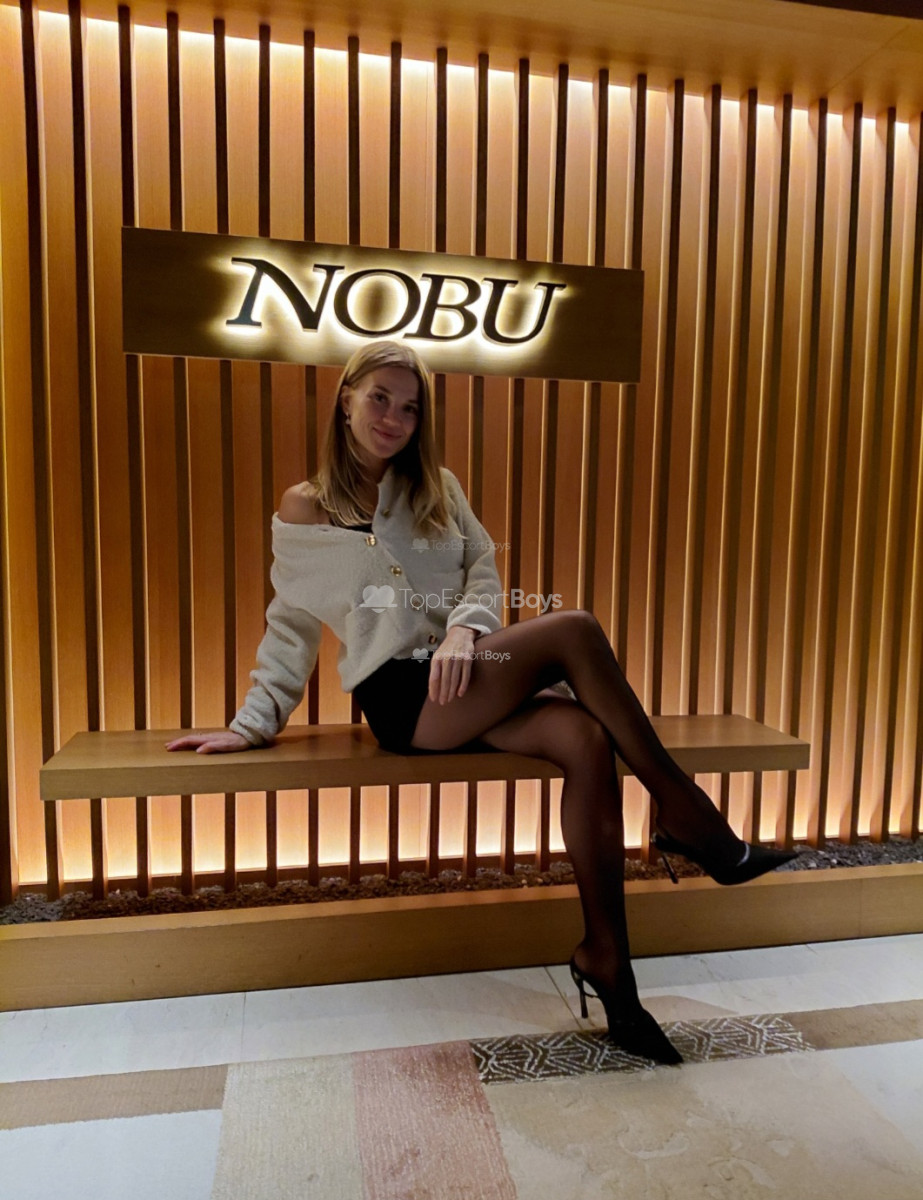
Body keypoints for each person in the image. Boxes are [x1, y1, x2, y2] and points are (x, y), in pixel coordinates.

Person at [167, 339, 796, 1066]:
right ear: (345, 400)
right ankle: (691, 819)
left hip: (471, 671)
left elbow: (482, 573)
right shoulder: (306, 506)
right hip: (403, 695)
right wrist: (252, 724)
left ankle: (609, 966)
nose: (393, 418)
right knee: (573, 629)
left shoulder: (438, 486)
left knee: (586, 739)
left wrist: (467, 629)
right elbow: (291, 623)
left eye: (410, 408)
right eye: (379, 398)